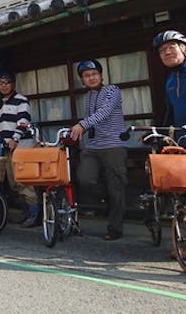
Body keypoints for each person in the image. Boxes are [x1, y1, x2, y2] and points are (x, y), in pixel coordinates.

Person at [70, 59, 127, 241]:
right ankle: (106, 201)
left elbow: (105, 111)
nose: (91, 78)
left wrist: (81, 124)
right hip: (93, 147)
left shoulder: (112, 90)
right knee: (84, 178)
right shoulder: (88, 97)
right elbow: (91, 120)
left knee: (116, 188)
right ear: (82, 80)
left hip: (113, 146)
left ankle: (115, 229)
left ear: (101, 75)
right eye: (86, 75)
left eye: (94, 74)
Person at [0, 70, 40, 227]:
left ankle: (35, 214)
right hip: (8, 146)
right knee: (13, 182)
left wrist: (15, 139)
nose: (4, 86)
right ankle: (26, 211)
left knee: (24, 180)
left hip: (21, 145)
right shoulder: (3, 103)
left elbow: (23, 122)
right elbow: (4, 126)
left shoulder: (21, 100)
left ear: (13, 84)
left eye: (7, 82)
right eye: (1, 83)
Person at [153, 30, 186, 152]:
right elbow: (169, 112)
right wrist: (157, 133)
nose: (167, 52)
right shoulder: (170, 80)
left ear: (185, 50)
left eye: (171, 47)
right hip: (184, 143)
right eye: (162, 50)